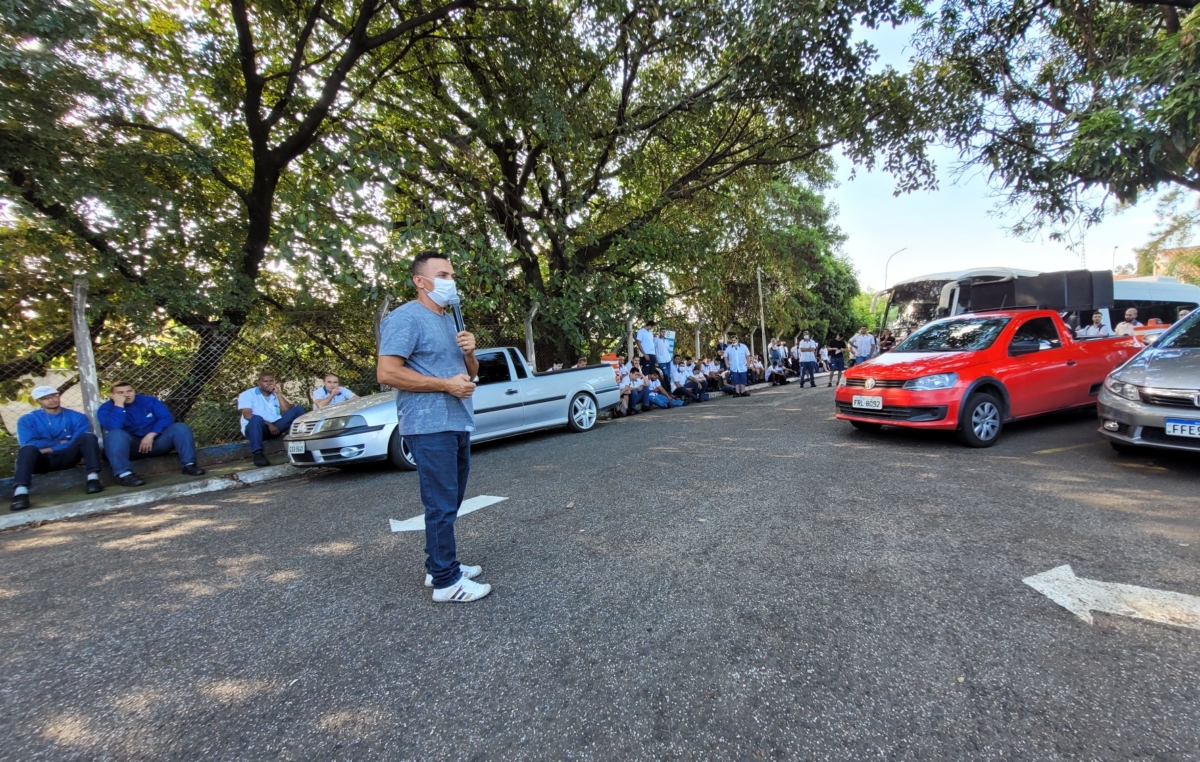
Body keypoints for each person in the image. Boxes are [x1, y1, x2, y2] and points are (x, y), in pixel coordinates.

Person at [377, 250, 489, 603]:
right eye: (442, 275)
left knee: (451, 500)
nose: (450, 282)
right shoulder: (405, 318)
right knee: (440, 503)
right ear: (420, 281)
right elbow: (387, 372)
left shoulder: (450, 317)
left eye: (452, 276)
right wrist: (445, 385)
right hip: (428, 424)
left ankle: (439, 565)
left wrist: (471, 353)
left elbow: (470, 374)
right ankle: (445, 582)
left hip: (456, 420)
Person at [11, 387, 104, 511]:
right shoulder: (26, 420)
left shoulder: (77, 417)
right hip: (41, 461)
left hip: (66, 457)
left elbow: (76, 441)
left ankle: (93, 480)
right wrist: (57, 443)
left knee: (88, 437)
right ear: (38, 401)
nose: (51, 400)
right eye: (45, 398)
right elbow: (28, 443)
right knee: (27, 449)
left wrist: (49, 449)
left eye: (54, 395)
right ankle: (20, 493)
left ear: (58, 396)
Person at [98, 382, 206, 486]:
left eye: (129, 391)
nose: (126, 394)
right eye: (120, 393)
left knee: (180, 427)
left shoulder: (149, 401)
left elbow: (166, 418)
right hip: (133, 448)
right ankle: (125, 476)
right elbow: (114, 427)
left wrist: (151, 434)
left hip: (156, 442)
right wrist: (119, 405)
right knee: (115, 435)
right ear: (112, 395)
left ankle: (189, 466)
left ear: (134, 391)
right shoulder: (105, 408)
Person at [238, 373, 307, 467]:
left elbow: (286, 410)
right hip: (256, 429)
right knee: (256, 418)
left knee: (298, 409)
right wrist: (269, 424)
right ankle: (258, 454)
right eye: (265, 381)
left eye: (271, 381)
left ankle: (300, 446)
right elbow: (247, 415)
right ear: (259, 382)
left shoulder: (275, 394)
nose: (269, 383)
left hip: (275, 428)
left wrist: (278, 393)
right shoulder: (248, 394)